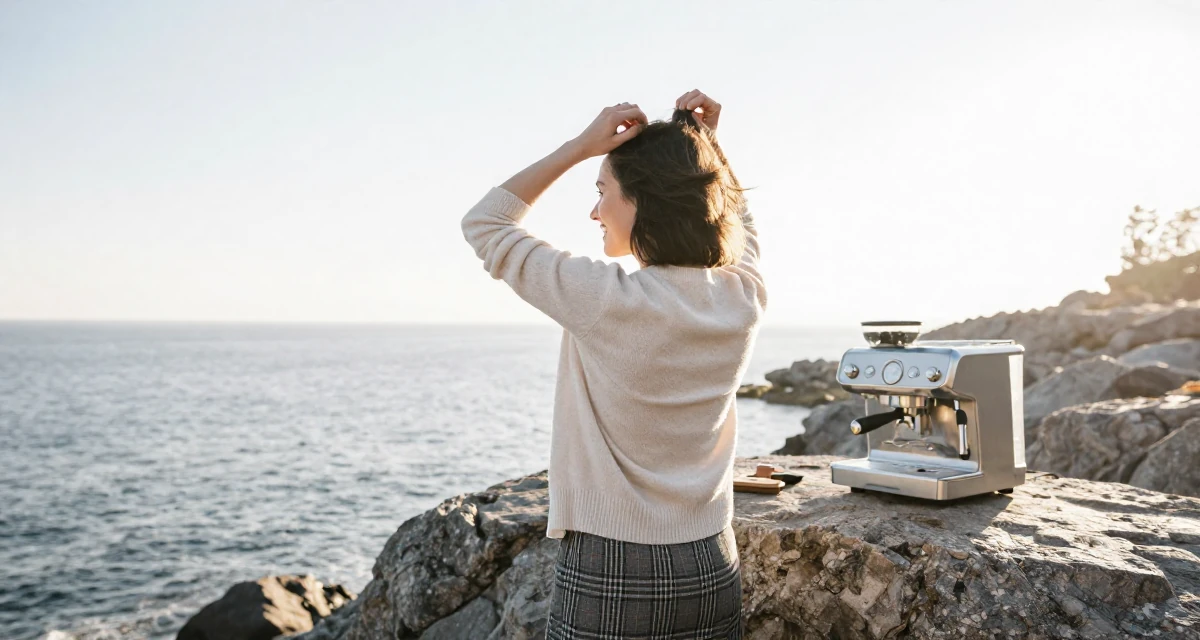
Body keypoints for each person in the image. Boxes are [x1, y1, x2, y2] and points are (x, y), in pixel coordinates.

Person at [461, 89, 765, 638]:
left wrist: (580, 146)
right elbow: (741, 222)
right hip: (712, 561)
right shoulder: (740, 296)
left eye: (602, 192)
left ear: (642, 201)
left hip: (614, 564)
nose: (595, 211)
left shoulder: (604, 298)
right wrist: (706, 149)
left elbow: (487, 223)